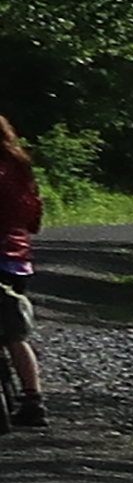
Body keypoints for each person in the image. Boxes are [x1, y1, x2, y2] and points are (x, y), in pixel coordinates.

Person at [0, 112, 38, 427]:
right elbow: (32, 210)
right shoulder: (20, 165)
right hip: (16, 256)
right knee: (15, 330)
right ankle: (33, 398)